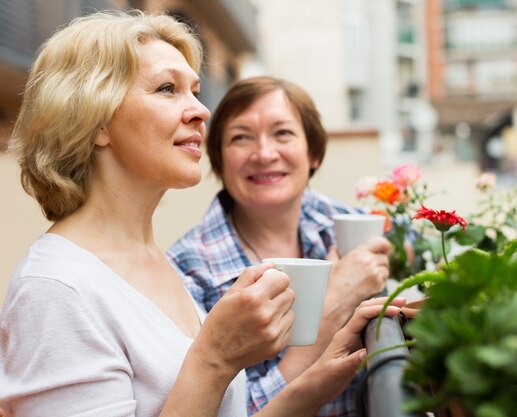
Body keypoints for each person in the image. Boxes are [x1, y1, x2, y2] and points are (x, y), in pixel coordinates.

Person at [0, 10, 409, 417]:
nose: (201, 110)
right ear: (95, 121)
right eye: (166, 89)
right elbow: (206, 377)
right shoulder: (54, 290)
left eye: (195, 90)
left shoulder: (152, 261)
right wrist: (214, 359)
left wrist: (321, 376)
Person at [167, 76, 393, 416]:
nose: (264, 153)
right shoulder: (184, 270)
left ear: (313, 152)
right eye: (241, 137)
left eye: (283, 133)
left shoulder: (338, 222)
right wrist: (333, 304)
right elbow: (228, 411)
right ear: (218, 159)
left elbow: (411, 240)